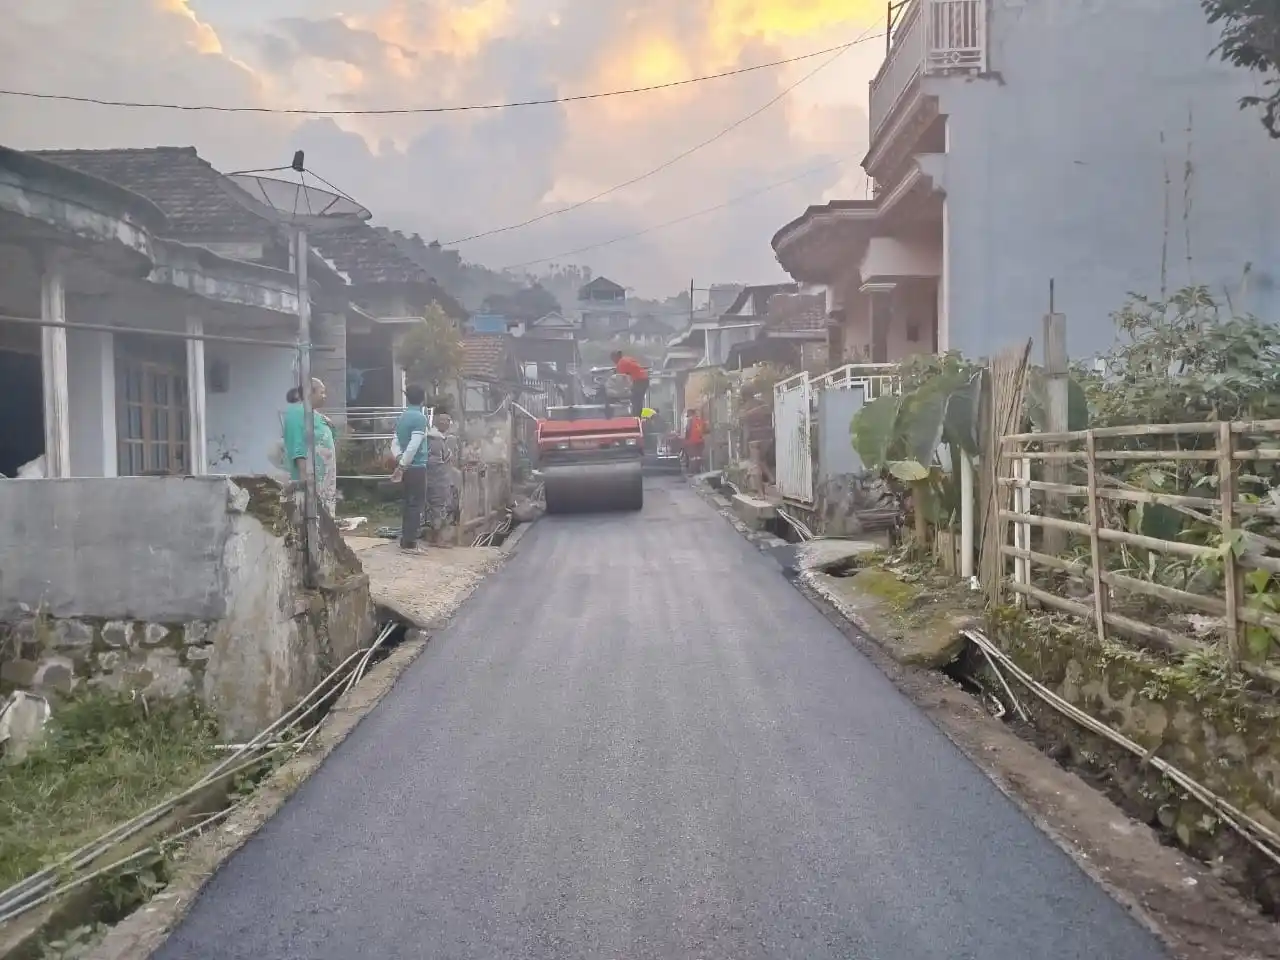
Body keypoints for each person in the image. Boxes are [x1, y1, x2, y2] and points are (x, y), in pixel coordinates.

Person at [282, 378, 337, 516]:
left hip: (323, 482)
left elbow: (327, 439)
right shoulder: (297, 413)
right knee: (311, 521)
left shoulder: (314, 414)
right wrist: (304, 479)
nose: (325, 396)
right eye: (322, 392)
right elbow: (297, 444)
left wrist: (331, 426)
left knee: (323, 521)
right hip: (311, 480)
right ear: (309, 393)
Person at [390, 385, 430, 552]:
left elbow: (394, 442)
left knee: (407, 503)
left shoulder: (402, 417)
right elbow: (414, 445)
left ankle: (406, 539)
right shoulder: (420, 418)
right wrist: (402, 465)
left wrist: (400, 459)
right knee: (415, 504)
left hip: (406, 466)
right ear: (423, 399)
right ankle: (410, 543)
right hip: (417, 467)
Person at [424, 412, 455, 548]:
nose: (448, 423)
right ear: (439, 423)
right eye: (446, 420)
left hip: (440, 479)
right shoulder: (435, 440)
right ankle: (437, 539)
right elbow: (434, 463)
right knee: (438, 508)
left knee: (438, 508)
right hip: (437, 480)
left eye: (449, 420)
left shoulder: (440, 439)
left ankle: (435, 537)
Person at [610, 350, 650, 417]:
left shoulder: (621, 364)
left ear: (615, 357)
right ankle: (637, 416)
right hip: (644, 379)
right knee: (638, 401)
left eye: (612, 359)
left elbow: (621, 379)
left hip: (639, 381)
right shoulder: (627, 358)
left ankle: (636, 417)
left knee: (636, 401)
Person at [683, 408, 707, 473]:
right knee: (698, 456)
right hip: (700, 441)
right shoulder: (700, 420)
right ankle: (698, 469)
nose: (688, 417)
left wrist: (686, 440)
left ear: (691, 414)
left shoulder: (690, 421)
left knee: (693, 457)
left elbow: (688, 430)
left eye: (688, 415)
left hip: (692, 441)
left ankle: (693, 471)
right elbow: (705, 430)